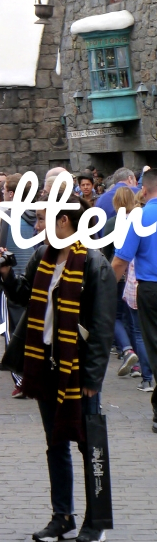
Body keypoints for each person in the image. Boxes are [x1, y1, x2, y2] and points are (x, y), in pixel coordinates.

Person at [0, 197, 117, 542]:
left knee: (88, 445)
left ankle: (96, 522)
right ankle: (62, 517)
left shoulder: (94, 264)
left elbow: (102, 326)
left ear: (63, 221)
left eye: (42, 220)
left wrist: (93, 378)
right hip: (45, 363)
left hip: (77, 369)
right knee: (55, 443)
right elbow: (25, 296)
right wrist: (6, 274)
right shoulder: (43, 257)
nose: (37, 227)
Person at [112, 168, 157, 433]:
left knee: (154, 344)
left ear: (144, 190)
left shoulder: (139, 217)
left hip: (151, 288)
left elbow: (121, 260)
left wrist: (104, 289)